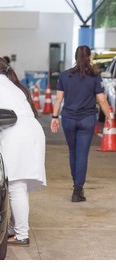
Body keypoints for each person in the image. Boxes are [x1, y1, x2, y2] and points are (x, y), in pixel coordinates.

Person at [0, 56, 46, 246]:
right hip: (31, 132)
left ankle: (22, 235)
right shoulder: (14, 87)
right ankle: (14, 228)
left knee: (16, 186)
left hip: (18, 136)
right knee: (18, 187)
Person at [50, 45, 112, 203]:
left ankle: (76, 183)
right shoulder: (94, 76)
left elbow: (58, 99)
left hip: (69, 119)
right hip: (87, 120)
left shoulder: (65, 75)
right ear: (89, 57)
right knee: (82, 154)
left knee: (73, 152)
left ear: (75, 57)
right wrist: (109, 117)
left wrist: (54, 117)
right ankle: (78, 190)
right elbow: (102, 100)